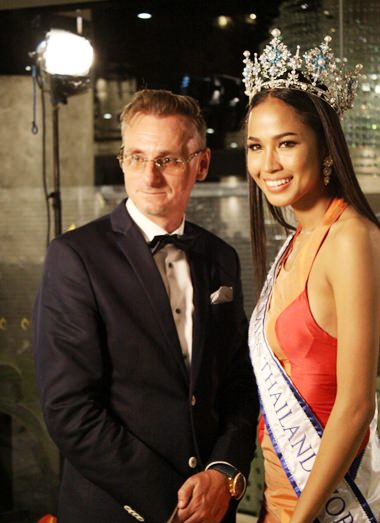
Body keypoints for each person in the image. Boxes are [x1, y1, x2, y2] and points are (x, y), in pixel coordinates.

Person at [33, 89, 259, 523]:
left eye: (168, 160)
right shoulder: (74, 258)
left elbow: (236, 382)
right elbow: (70, 410)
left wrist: (223, 472)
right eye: (136, 157)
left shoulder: (221, 257)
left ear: (202, 164)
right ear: (121, 160)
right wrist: (175, 505)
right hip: (120, 511)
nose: (149, 176)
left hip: (214, 508)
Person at [243, 30, 380, 522]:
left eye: (287, 144)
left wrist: (300, 519)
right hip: (278, 499)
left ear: (324, 148)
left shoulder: (351, 239)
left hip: (325, 504)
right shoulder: (295, 240)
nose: (268, 164)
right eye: (255, 146)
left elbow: (356, 403)